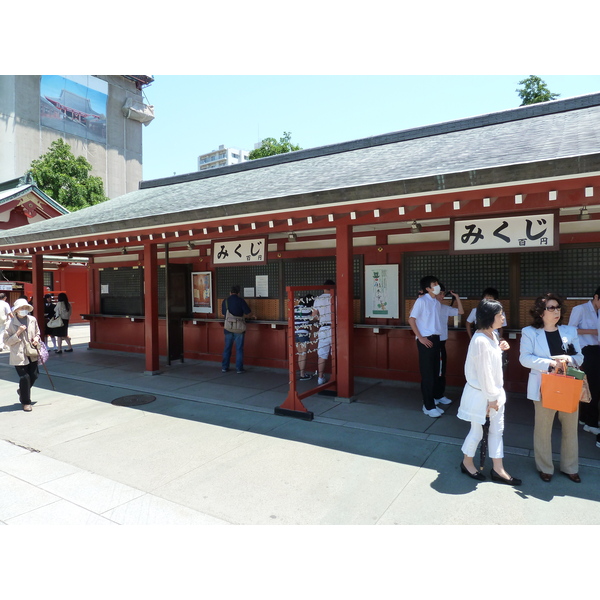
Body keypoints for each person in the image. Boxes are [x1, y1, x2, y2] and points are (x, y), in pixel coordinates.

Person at [519, 293, 584, 483]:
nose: (556, 311)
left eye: (558, 307)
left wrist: (569, 359)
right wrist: (550, 363)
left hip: (569, 385)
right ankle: (545, 467)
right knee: (543, 428)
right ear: (541, 312)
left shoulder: (570, 331)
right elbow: (524, 358)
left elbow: (580, 357)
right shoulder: (530, 332)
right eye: (551, 308)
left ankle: (570, 467)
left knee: (571, 428)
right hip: (544, 386)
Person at [457, 300, 520, 484]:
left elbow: (490, 365)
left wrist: (500, 348)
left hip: (493, 393)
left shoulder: (491, 335)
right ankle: (467, 462)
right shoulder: (480, 341)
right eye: (500, 314)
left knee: (497, 430)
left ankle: (498, 468)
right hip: (483, 395)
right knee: (477, 431)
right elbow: (484, 374)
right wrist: (492, 399)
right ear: (489, 317)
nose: (503, 317)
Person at [408, 275, 445, 417]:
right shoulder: (421, 301)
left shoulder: (435, 302)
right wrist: (421, 338)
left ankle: (433, 402)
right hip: (426, 340)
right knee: (428, 374)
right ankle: (428, 406)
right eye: (434, 284)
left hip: (436, 339)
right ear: (427, 288)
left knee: (435, 372)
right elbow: (411, 320)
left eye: (437, 283)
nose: (437, 285)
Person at [567, 288, 600, 437]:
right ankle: (591, 423)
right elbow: (570, 330)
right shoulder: (580, 309)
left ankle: (585, 418)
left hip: (597, 350)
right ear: (596, 297)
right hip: (586, 350)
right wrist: (593, 331)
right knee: (594, 386)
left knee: (590, 385)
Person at [4, 298, 41, 411]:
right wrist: (18, 332)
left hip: (31, 352)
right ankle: (26, 402)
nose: (24, 310)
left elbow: (38, 333)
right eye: (21, 308)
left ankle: (22, 391)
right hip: (18, 354)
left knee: (34, 375)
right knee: (25, 377)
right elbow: (7, 341)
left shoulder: (32, 320)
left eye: (26, 308)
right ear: (16, 310)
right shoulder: (10, 324)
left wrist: (36, 338)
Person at [434, 283, 464, 405]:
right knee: (433, 371)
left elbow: (461, 311)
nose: (442, 296)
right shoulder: (427, 307)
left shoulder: (445, 308)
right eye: (440, 293)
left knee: (441, 370)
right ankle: (432, 396)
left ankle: (439, 394)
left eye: (443, 293)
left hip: (441, 342)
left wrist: (456, 297)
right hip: (431, 341)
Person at [221, 285, 254, 373]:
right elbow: (248, 313)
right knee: (239, 349)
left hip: (228, 328)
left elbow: (224, 314)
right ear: (239, 293)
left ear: (230, 292)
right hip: (239, 328)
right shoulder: (241, 301)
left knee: (227, 348)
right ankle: (239, 368)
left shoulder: (225, 301)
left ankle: (224, 367)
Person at [311, 280, 335, 385]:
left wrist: (321, 317)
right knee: (336, 355)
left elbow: (314, 316)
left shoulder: (318, 299)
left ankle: (320, 378)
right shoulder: (336, 298)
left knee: (322, 355)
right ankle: (335, 376)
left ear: (323, 288)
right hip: (335, 328)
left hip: (323, 328)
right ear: (333, 288)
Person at [294, 293, 315, 380]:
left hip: (295, 332)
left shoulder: (295, 308)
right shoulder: (309, 309)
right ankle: (303, 374)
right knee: (304, 354)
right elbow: (314, 318)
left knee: (300, 354)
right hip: (304, 332)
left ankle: (301, 373)